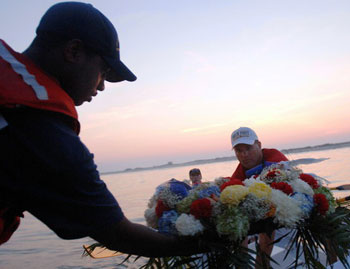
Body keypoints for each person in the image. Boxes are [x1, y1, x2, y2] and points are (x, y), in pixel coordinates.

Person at [0, 2, 207, 257]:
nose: (101, 87)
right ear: (74, 51)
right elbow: (118, 233)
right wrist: (207, 242)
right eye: (103, 72)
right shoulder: (43, 131)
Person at [230, 127, 289, 268]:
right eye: (239, 151)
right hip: (257, 204)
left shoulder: (274, 156)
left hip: (280, 204)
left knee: (267, 216)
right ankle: (242, 263)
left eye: (249, 148)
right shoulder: (240, 171)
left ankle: (262, 264)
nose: (244, 154)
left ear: (259, 145)